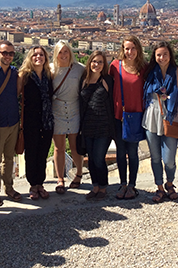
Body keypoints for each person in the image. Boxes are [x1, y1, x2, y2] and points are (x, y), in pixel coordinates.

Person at [142, 41, 178, 203]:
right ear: (154, 56)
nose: (162, 58)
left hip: (171, 118)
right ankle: (160, 187)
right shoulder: (149, 72)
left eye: (165, 54)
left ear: (170, 55)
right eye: (159, 55)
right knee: (155, 157)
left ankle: (170, 183)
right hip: (151, 117)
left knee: (169, 159)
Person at [109, 36, 147, 200]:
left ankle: (132, 185)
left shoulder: (143, 68)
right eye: (126, 48)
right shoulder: (114, 66)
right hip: (119, 115)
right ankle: (122, 183)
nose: (129, 52)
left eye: (132, 48)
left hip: (136, 115)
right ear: (122, 50)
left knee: (132, 152)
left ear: (138, 49)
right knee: (120, 151)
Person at [19, 46, 54, 200]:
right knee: (31, 153)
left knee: (43, 153)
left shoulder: (49, 75)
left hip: (47, 121)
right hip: (30, 121)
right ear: (30, 57)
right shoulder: (24, 76)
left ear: (45, 58)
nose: (38, 57)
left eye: (41, 54)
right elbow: (17, 97)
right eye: (35, 55)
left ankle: (41, 183)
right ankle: (33, 185)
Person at [0, 41, 21, 206]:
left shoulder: (15, 73)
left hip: (13, 120)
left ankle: (9, 187)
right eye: (5, 52)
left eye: (11, 53)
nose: (8, 56)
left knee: (9, 158)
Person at [79, 51, 114, 201]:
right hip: (87, 126)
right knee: (91, 158)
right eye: (94, 61)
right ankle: (95, 187)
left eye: (100, 62)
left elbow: (113, 103)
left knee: (99, 158)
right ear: (89, 62)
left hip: (104, 126)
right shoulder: (84, 80)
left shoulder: (107, 80)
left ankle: (103, 187)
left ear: (104, 65)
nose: (97, 65)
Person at [51, 40, 84, 194]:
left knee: (75, 146)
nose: (63, 55)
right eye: (60, 52)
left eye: (66, 51)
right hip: (57, 110)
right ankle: (60, 178)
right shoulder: (50, 70)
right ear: (56, 54)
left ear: (70, 53)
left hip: (74, 109)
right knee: (59, 148)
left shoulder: (80, 69)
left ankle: (78, 174)